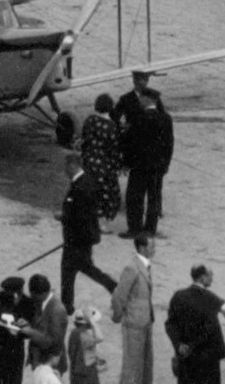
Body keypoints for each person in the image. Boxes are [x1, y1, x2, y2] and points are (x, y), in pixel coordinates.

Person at [165, 264, 225, 384]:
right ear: (202, 277)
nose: (212, 278)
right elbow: (212, 326)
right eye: (210, 275)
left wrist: (179, 344)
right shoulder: (210, 298)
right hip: (205, 354)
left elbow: (170, 323)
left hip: (185, 353)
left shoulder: (179, 296)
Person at [113, 71, 174, 239]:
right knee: (154, 196)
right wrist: (165, 164)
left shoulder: (138, 120)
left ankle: (135, 228)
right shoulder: (166, 118)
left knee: (135, 197)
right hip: (157, 165)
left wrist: (125, 161)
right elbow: (169, 144)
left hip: (139, 164)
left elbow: (130, 142)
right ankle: (150, 229)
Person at [59, 149, 118, 312]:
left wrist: (63, 217)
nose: (64, 171)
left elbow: (80, 215)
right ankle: (68, 303)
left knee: (73, 270)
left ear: (72, 166)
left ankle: (67, 304)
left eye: (66, 167)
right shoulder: (85, 182)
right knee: (79, 270)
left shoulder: (81, 186)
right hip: (81, 237)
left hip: (78, 239)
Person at [111, 234, 159, 384]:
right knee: (132, 365)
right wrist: (117, 315)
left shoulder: (144, 266)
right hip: (133, 322)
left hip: (145, 320)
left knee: (146, 363)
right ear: (141, 247)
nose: (154, 248)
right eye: (151, 245)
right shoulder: (131, 268)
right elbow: (119, 296)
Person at [76, 96, 122, 223]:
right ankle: (102, 220)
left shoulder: (90, 120)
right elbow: (114, 148)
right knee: (106, 193)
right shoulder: (111, 126)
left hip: (89, 161)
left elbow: (84, 139)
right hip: (104, 165)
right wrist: (117, 165)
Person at [24, 274, 69, 373]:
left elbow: (53, 342)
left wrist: (30, 332)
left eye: (33, 295)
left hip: (51, 364)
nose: (31, 297)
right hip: (39, 361)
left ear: (41, 294)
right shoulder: (40, 301)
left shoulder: (57, 310)